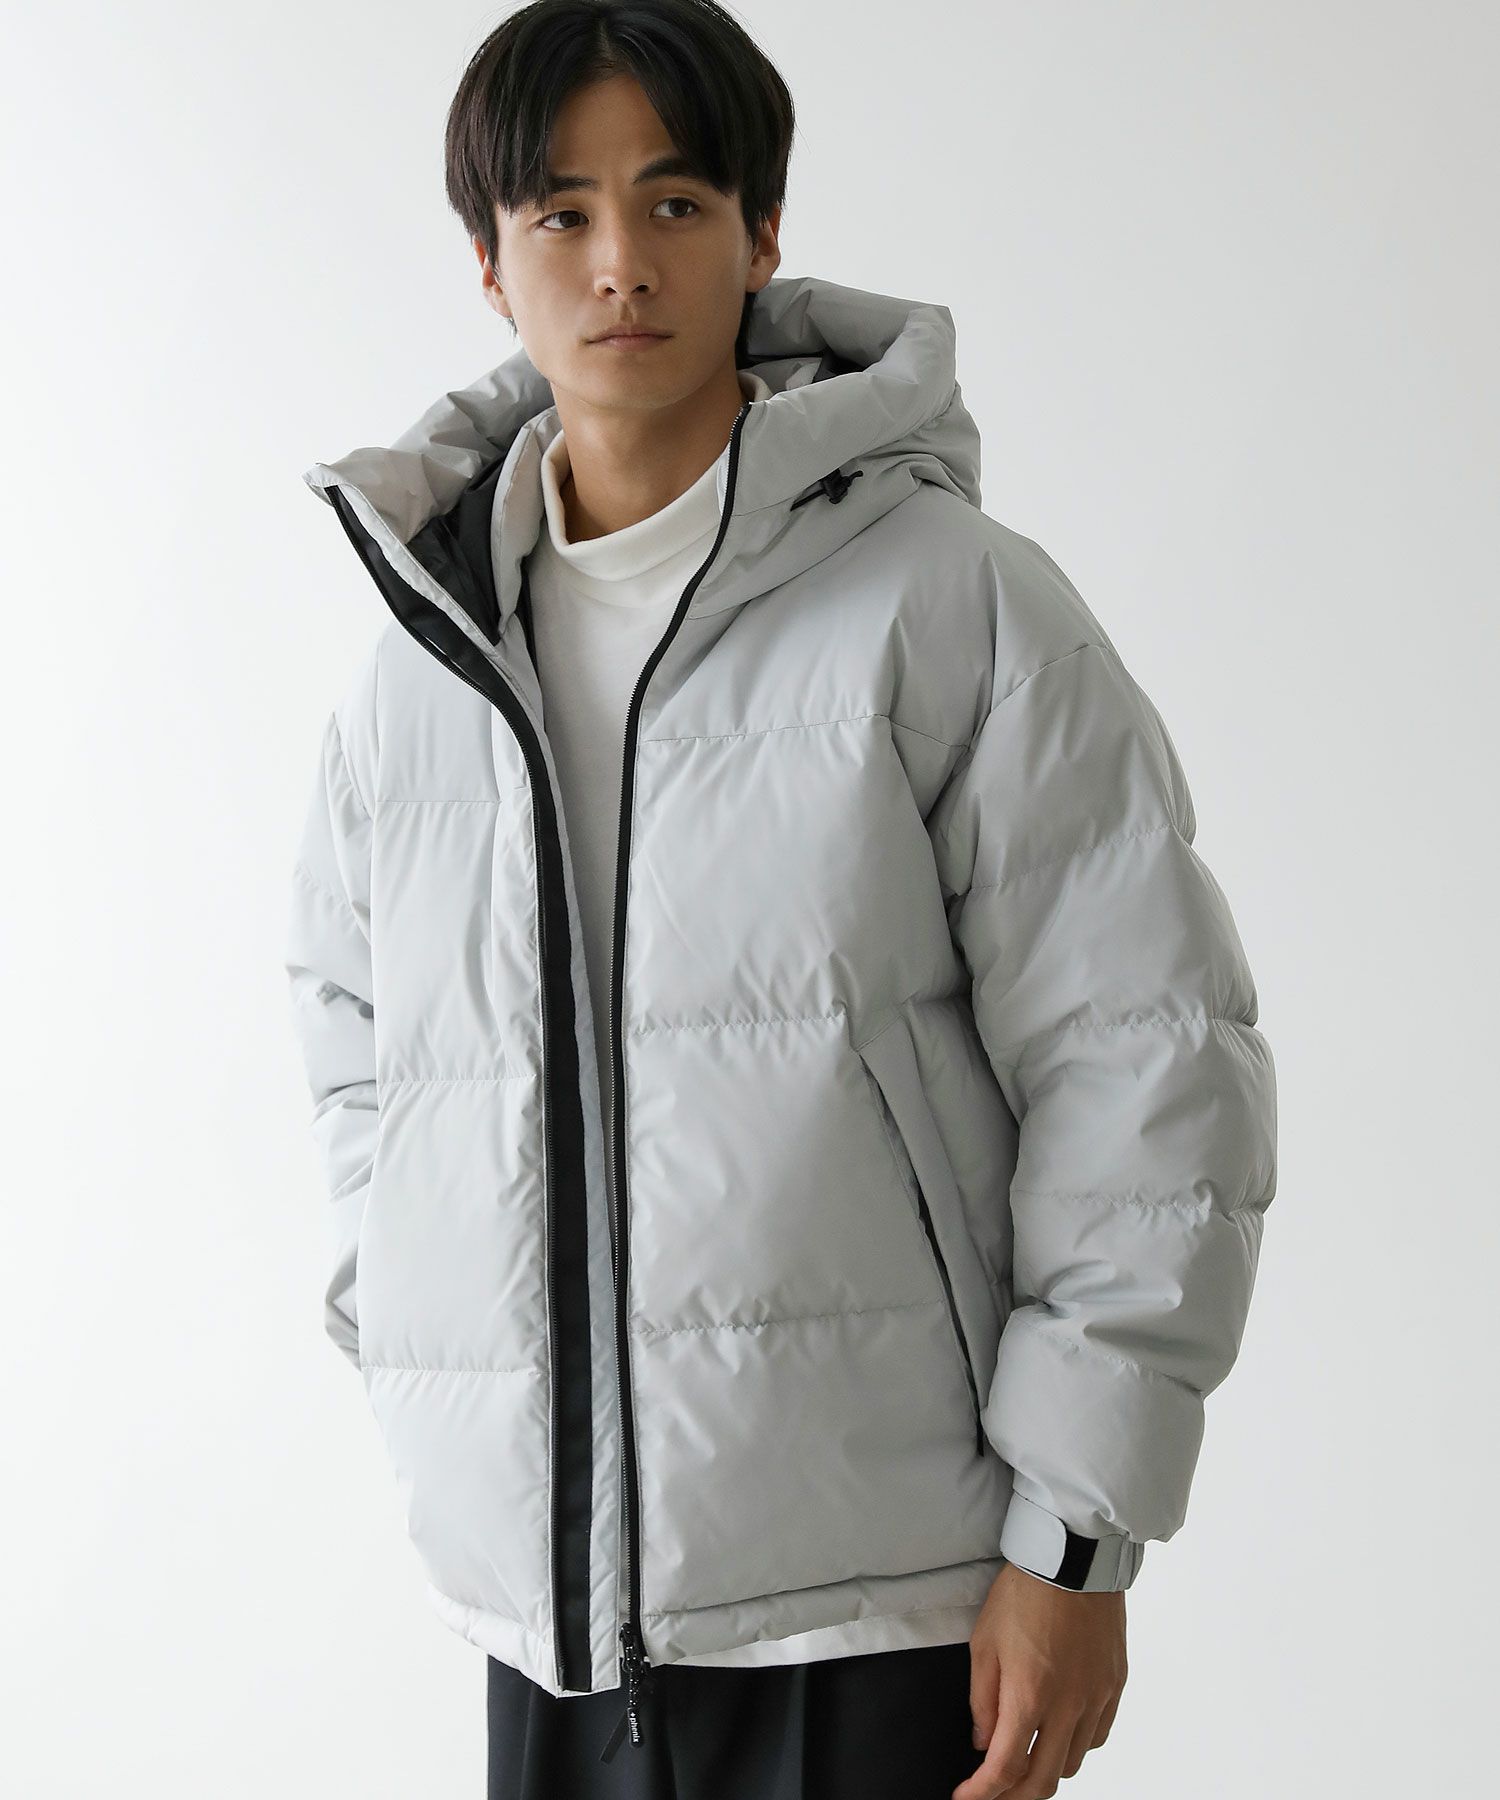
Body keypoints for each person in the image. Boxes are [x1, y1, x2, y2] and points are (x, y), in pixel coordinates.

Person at [282, 4, 1278, 1797]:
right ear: (490, 265)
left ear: (761, 235)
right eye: (562, 214)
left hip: (880, 1610)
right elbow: (364, 1054)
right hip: (549, 1619)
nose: (621, 263)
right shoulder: (424, 668)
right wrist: (429, 1325)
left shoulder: (948, 603)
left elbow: (1145, 1061)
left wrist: (1076, 1536)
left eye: (675, 204)